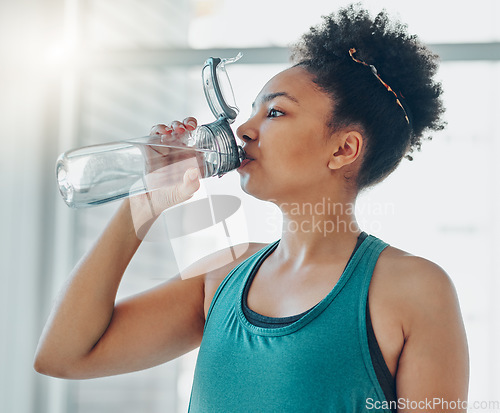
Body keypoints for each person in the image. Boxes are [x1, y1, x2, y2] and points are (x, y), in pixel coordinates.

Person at [34, 4, 469, 412]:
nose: (243, 129)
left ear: (343, 149)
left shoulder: (415, 290)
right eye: (254, 112)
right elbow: (65, 356)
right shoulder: (223, 275)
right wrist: (145, 201)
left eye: (276, 113)